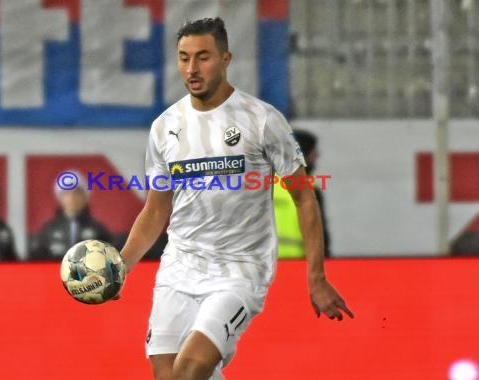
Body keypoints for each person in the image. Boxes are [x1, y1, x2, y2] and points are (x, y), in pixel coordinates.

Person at [119, 17, 354, 379]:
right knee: (168, 376)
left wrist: (316, 275)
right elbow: (155, 210)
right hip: (179, 267)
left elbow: (304, 199)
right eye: (184, 58)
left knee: (190, 369)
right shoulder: (165, 127)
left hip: (239, 270)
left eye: (203, 57)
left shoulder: (261, 120)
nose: (192, 68)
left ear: (226, 59)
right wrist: (122, 266)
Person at [29, 171, 113, 260]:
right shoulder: (48, 231)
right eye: (67, 193)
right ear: (60, 197)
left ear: (85, 196)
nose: (72, 197)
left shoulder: (98, 230)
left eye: (77, 193)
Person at [274, 130, 331, 258]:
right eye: (313, 153)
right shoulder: (310, 190)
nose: (317, 156)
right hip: (298, 266)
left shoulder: (260, 185)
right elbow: (320, 238)